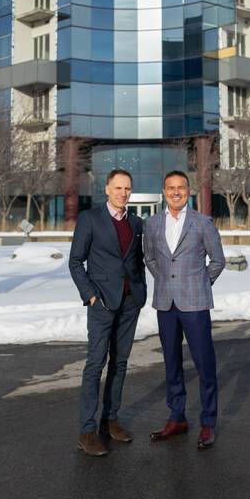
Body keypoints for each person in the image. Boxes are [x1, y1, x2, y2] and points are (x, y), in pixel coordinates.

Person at [144, 170, 225, 448]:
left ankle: (207, 422)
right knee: (172, 364)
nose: (175, 192)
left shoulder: (203, 222)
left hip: (196, 303)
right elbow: (150, 259)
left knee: (205, 365)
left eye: (180, 187)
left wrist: (200, 284)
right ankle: (177, 417)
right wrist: (167, 281)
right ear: (163, 192)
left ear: (188, 191)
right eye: (170, 188)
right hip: (166, 303)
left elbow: (217, 261)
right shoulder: (152, 223)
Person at [69, 168, 147, 456]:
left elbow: (137, 261)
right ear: (107, 189)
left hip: (130, 303)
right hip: (101, 302)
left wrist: (141, 292)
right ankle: (87, 431)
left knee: (121, 363)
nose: (123, 193)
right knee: (95, 364)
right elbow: (76, 262)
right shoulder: (90, 219)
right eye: (118, 188)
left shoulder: (137, 222)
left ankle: (110, 420)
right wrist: (90, 295)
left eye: (127, 188)